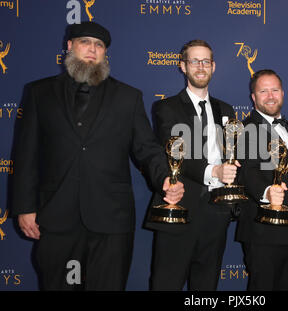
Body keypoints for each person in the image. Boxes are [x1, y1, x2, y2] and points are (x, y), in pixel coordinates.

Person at [11, 21, 184, 290]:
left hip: (111, 220)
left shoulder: (128, 97)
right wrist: (24, 207)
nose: (92, 49)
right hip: (56, 216)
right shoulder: (39, 93)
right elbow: (25, 155)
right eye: (85, 42)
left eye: (99, 45)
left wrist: (165, 178)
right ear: (69, 46)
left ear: (105, 53)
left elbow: (147, 149)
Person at [144, 39, 237, 290]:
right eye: (194, 61)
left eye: (205, 61)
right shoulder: (166, 107)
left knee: (206, 288)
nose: (200, 66)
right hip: (178, 209)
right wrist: (214, 171)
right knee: (166, 284)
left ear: (214, 67)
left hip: (217, 215)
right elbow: (176, 150)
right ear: (182, 66)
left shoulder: (226, 109)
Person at [236, 69, 288, 290]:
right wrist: (267, 191)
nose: (270, 96)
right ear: (254, 97)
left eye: (275, 90)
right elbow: (245, 171)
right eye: (263, 91)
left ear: (283, 93)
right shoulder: (245, 130)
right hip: (263, 231)